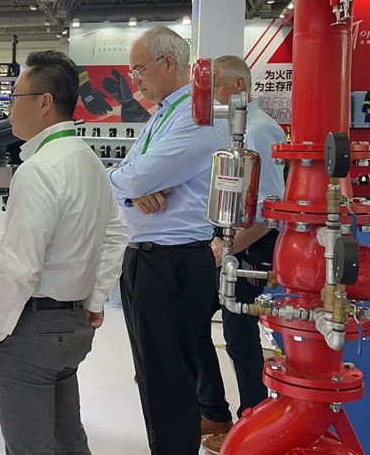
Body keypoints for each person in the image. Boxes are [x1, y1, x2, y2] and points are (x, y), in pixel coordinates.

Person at [0, 51, 128, 455]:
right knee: (69, 439)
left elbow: (20, 267)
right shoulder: (89, 160)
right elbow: (117, 233)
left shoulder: (38, 169)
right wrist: (95, 299)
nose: (9, 109)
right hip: (72, 325)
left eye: (15, 97)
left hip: (30, 330)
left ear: (44, 102)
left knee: (30, 447)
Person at [108, 26, 229, 454]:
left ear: (169, 63)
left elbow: (136, 176)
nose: (134, 80)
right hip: (146, 259)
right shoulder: (162, 114)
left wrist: (130, 185)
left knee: (170, 380)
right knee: (151, 376)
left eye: (139, 69)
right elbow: (125, 175)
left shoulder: (199, 116)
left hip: (174, 262)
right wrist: (130, 189)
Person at [196, 56, 287, 453]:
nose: (210, 93)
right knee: (196, 324)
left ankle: (252, 422)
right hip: (227, 240)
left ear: (238, 86)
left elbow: (269, 208)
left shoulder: (260, 131)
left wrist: (227, 247)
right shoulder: (233, 129)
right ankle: (215, 412)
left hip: (248, 245)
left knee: (240, 337)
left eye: (216, 84)